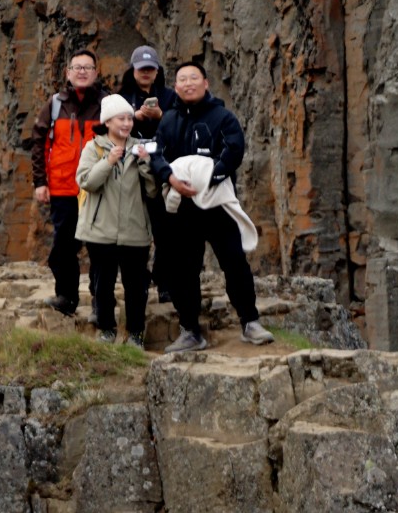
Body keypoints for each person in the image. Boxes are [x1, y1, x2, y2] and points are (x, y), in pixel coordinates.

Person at [150, 62, 273, 350]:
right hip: (182, 207)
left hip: (217, 204)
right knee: (183, 269)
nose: (188, 83)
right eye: (182, 79)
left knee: (234, 262)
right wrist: (170, 177)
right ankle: (190, 330)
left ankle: (250, 322)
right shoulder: (167, 121)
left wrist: (211, 177)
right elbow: (155, 154)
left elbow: (234, 150)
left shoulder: (223, 117)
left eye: (194, 77)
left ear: (206, 83)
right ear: (176, 87)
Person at [28, 49, 110, 315]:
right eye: (77, 67)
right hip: (63, 188)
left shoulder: (108, 104)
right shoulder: (54, 105)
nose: (82, 71)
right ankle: (66, 297)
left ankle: (101, 300)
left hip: (99, 188)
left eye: (88, 67)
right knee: (63, 247)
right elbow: (39, 143)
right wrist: (40, 182)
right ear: (68, 73)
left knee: (101, 248)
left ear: (96, 72)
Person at [76, 95, 156, 347]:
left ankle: (135, 333)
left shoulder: (141, 148)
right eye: (121, 118)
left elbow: (153, 191)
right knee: (103, 283)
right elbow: (86, 182)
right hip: (101, 230)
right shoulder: (94, 147)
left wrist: (145, 163)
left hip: (135, 230)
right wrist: (108, 162)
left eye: (130, 118)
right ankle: (106, 328)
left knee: (136, 285)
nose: (127, 123)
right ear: (108, 121)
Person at [116, 45, 178, 298]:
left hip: (162, 166)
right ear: (133, 71)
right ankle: (138, 280)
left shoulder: (170, 96)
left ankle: (164, 282)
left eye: (150, 69)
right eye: (141, 69)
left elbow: (179, 127)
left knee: (165, 228)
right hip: (131, 168)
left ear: (157, 71)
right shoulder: (121, 98)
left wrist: (161, 115)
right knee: (133, 228)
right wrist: (134, 117)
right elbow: (111, 130)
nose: (145, 73)